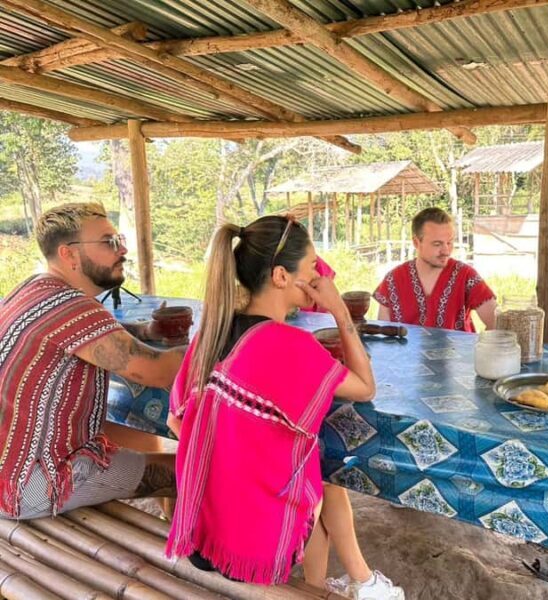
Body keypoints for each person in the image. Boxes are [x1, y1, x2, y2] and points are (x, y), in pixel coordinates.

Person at [165, 215, 404, 599]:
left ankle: (361, 583)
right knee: (314, 476)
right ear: (280, 276)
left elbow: (175, 420)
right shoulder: (291, 346)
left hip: (201, 535)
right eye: (312, 266)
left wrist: (234, 461)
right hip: (247, 551)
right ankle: (324, 588)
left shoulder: (211, 333)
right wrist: (340, 312)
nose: (321, 274)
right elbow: (365, 388)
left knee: (306, 467)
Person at [0, 203, 183, 520]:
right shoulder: (73, 307)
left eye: (119, 239)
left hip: (11, 465)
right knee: (188, 471)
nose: (122, 249)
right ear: (68, 254)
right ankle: (185, 553)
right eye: (108, 242)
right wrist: (213, 345)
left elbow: (79, 338)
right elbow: (156, 372)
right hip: (29, 486)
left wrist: (140, 331)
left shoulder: (32, 290)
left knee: (147, 445)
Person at [374, 207, 496, 331]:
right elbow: (383, 336)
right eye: (437, 244)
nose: (446, 251)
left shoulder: (466, 276)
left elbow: (498, 324)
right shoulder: (393, 280)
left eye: (449, 242)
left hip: (458, 351)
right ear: (416, 242)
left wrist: (481, 347)